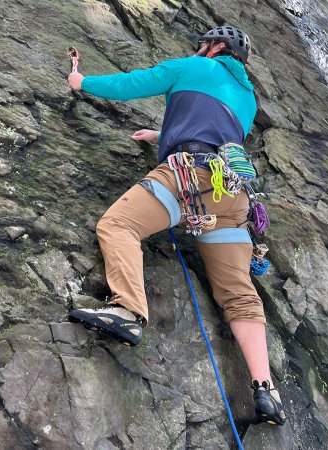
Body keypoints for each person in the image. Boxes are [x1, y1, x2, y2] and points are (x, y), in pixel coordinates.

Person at [66, 26, 286, 426]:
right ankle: (266, 390)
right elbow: (211, 127)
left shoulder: (190, 66)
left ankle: (129, 311)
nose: (198, 51)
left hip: (188, 178)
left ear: (215, 47)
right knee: (238, 292)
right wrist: (161, 135)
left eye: (202, 46)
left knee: (118, 225)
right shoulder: (248, 98)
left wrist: (82, 81)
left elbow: (133, 83)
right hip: (231, 195)